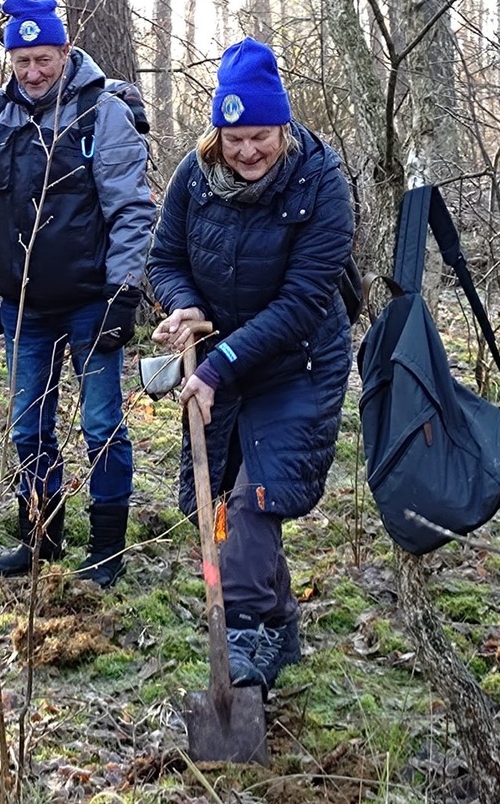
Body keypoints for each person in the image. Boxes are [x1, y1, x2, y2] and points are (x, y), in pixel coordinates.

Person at [147, 38, 355, 690]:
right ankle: (281, 624)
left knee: (254, 501)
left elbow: (301, 303)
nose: (246, 152)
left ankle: (238, 653)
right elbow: (165, 259)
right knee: (224, 507)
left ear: (282, 126)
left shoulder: (321, 182)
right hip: (219, 363)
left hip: (298, 363)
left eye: (259, 135)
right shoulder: (193, 176)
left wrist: (216, 366)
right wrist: (185, 310)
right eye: (233, 137)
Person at [0, 0, 154, 588]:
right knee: (27, 425)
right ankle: (40, 537)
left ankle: (104, 548)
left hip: (92, 301)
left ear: (65, 51)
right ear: (9, 61)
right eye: (22, 61)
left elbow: (132, 210)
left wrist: (126, 292)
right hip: (23, 305)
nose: (34, 71)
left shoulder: (103, 113)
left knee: (101, 425)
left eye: (44, 58)